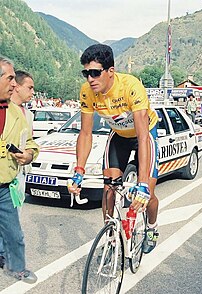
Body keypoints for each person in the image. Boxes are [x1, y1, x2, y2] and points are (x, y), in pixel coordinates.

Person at [68, 44, 159, 254]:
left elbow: (143, 136)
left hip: (144, 135)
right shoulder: (87, 92)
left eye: (95, 72)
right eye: (86, 73)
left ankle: (152, 228)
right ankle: (111, 238)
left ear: (110, 71)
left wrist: (143, 183)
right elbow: (85, 134)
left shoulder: (130, 86)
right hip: (118, 136)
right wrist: (79, 171)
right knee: (109, 188)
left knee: (148, 193)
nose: (90, 79)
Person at [0, 56, 39, 283]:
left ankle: (17, 268)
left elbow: (31, 144)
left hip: (5, 188)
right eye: (10, 78)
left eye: (15, 79)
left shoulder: (17, 113)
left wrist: (29, 155)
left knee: (14, 234)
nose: (14, 84)